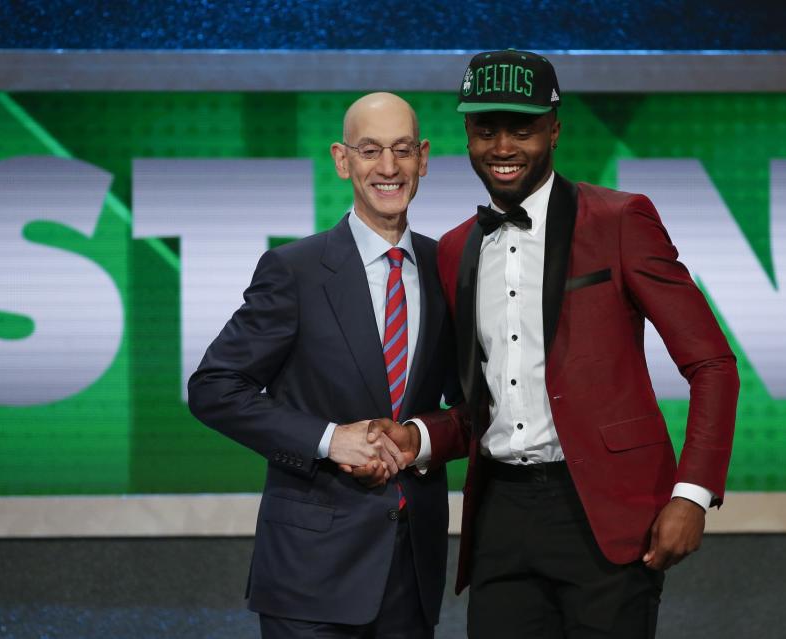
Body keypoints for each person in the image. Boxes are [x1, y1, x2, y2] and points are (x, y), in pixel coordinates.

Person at [380, 50, 740, 638]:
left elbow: (712, 364)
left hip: (608, 511)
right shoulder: (453, 249)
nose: (502, 147)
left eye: (521, 129)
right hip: (500, 518)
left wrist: (692, 495)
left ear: (555, 128)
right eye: (485, 129)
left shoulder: (622, 220)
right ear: (466, 133)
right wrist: (418, 438)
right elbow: (480, 406)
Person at [187, 92, 459, 639]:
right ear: (342, 159)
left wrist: (418, 438)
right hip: (309, 573)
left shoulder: (448, 266)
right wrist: (330, 439)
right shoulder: (295, 270)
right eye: (370, 150)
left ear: (424, 158)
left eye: (403, 150)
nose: (388, 167)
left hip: (412, 568)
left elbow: (478, 403)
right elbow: (214, 386)